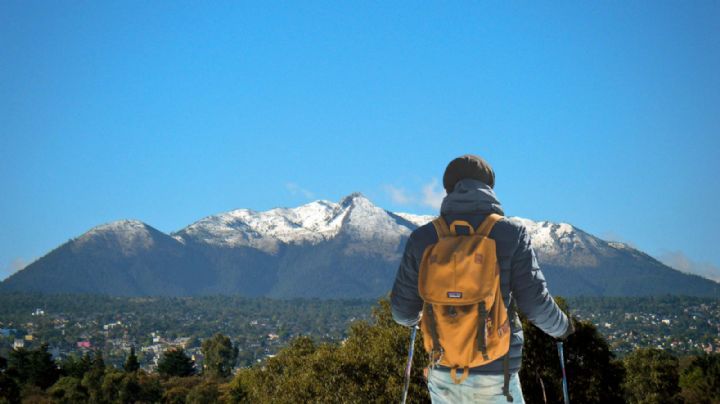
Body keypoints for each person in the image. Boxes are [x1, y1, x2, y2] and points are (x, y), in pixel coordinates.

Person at [391, 154, 573, 403]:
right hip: (497, 373)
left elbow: (402, 313)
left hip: (444, 371)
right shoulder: (511, 234)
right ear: (489, 187)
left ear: (448, 189)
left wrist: (429, 316)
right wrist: (563, 327)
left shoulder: (423, 238)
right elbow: (535, 305)